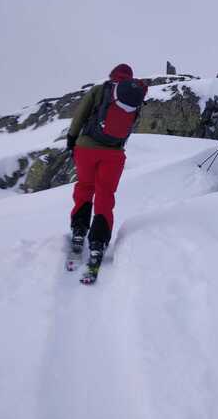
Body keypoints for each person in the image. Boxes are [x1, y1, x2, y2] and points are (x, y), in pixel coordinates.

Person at [66, 63, 147, 283]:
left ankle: (79, 231)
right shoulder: (135, 96)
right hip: (114, 154)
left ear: (113, 75)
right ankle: (98, 243)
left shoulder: (101, 89)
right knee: (105, 195)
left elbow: (80, 115)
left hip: (86, 148)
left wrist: (72, 139)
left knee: (84, 188)